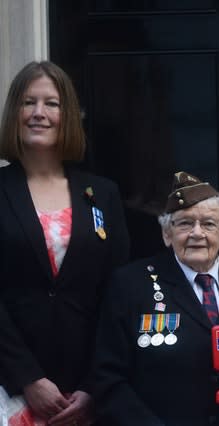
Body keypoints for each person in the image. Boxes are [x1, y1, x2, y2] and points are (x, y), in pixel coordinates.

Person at [93, 171, 219, 426]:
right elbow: (107, 379)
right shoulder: (130, 286)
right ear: (167, 235)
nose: (197, 233)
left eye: (209, 224)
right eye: (184, 224)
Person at [0, 61, 130, 425]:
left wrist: (94, 384)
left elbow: (118, 294)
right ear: (15, 112)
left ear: (68, 114)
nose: (39, 113)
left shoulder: (102, 194)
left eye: (52, 104)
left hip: (87, 392)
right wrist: (27, 378)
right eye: (29, 102)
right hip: (10, 387)